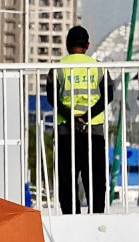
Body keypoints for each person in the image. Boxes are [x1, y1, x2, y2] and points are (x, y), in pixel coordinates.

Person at [46, 25, 114, 214]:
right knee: (96, 178)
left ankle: (71, 216)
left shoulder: (58, 67)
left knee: (67, 178)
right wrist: (87, 116)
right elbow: (108, 95)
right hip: (93, 130)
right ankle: (96, 215)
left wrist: (71, 116)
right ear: (88, 45)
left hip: (66, 131)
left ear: (67, 44)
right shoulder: (98, 67)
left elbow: (52, 97)